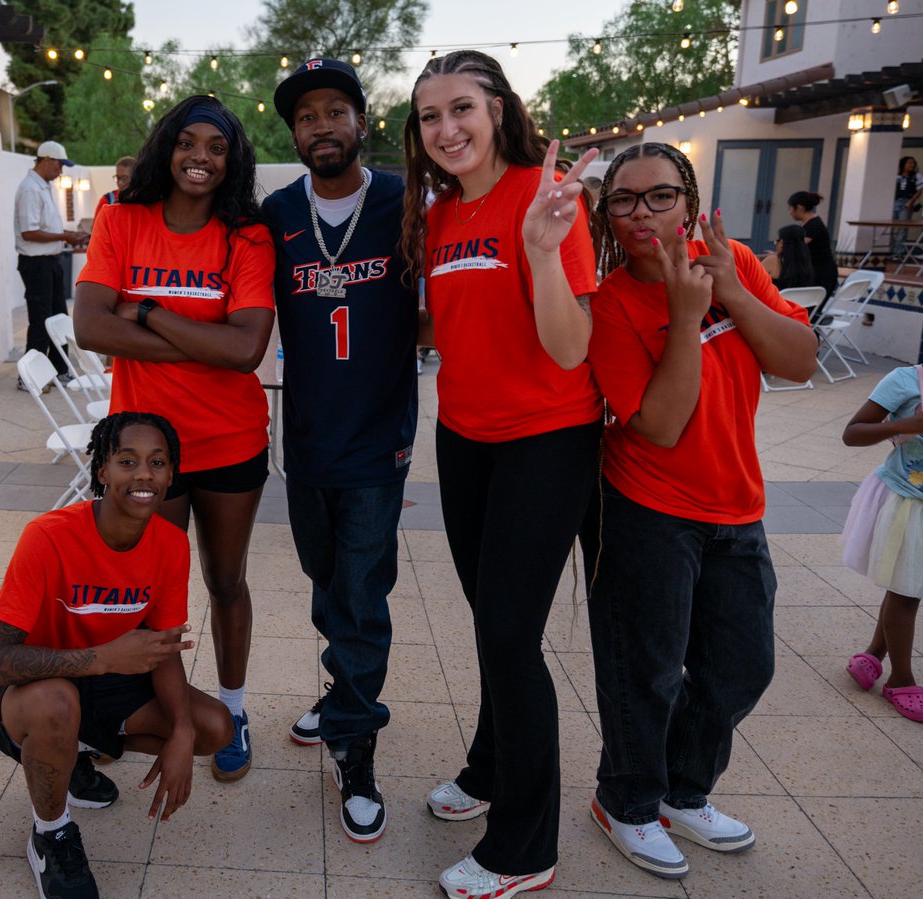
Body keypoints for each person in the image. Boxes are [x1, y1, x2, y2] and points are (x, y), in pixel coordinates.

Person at [399, 49, 601, 898]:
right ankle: (488, 767)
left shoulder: (544, 199)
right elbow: (443, 332)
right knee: (491, 619)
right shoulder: (439, 214)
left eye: (461, 110)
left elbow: (569, 348)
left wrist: (544, 251)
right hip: (466, 439)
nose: (446, 129)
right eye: (429, 116)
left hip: (546, 441)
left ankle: (523, 846)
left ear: (497, 110)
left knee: (511, 637)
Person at [585, 143, 817, 880]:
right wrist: (686, 317)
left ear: (688, 200)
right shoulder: (613, 304)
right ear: (609, 216)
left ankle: (682, 791)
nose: (642, 213)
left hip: (737, 504)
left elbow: (800, 359)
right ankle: (627, 800)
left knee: (741, 665)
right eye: (624, 200)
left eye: (659, 196)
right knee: (645, 671)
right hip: (647, 509)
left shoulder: (737, 263)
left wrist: (733, 294)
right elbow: (659, 425)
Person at [73, 96, 275, 783]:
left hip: (229, 440)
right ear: (167, 147)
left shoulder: (246, 235)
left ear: (232, 160)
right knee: (138, 589)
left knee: (224, 579)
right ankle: (121, 708)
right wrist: (201, 341)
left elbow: (246, 349)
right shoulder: (121, 218)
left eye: (216, 147)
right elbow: (92, 326)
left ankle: (235, 706)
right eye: (188, 142)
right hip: (144, 452)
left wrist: (151, 310)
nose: (200, 157)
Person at [0, 411, 233, 899]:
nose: (144, 474)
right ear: (102, 471)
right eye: (127, 461)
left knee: (214, 728)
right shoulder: (47, 536)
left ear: (172, 475)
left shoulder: (170, 543)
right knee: (58, 704)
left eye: (158, 462)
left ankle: (76, 752)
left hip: (106, 672)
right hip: (18, 690)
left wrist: (183, 732)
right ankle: (51, 835)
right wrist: (102, 658)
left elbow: (161, 649)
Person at [262, 58, 418, 844]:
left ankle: (356, 746)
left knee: (362, 593)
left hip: (378, 443)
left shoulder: (403, 200)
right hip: (309, 441)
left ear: (363, 121)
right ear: (294, 133)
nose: (321, 126)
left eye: (335, 111)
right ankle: (341, 690)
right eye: (306, 116)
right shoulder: (277, 213)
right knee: (327, 581)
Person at [841, 360, 923, 724]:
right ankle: (901, 680)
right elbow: (852, 433)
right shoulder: (906, 380)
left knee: (904, 585)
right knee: (907, 594)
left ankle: (873, 654)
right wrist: (902, 425)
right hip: (909, 503)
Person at [14, 140, 87, 389]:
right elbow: (29, 232)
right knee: (41, 319)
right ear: (46, 160)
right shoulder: (29, 189)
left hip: (51, 260)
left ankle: (59, 369)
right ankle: (28, 378)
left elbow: (46, 228)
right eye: (59, 165)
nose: (61, 171)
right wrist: (66, 236)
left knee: (58, 317)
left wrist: (67, 235)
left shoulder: (42, 187)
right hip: (36, 264)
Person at [787, 190, 839, 299]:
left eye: (790, 208)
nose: (789, 212)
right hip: (814, 273)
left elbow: (796, 248)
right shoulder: (808, 224)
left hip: (822, 275)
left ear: (800, 207)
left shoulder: (813, 226)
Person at [761, 223, 816, 292]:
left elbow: (751, 279)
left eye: (776, 241)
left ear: (781, 243)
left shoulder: (773, 260)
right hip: (798, 302)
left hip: (773, 302)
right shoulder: (805, 263)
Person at [891, 156, 923, 258]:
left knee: (903, 228)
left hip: (906, 203)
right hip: (894, 202)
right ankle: (891, 250)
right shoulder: (896, 175)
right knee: (891, 228)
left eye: (913, 163)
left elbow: (920, 190)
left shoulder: (915, 176)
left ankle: (899, 252)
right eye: (909, 163)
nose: (911, 165)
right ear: (903, 164)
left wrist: (911, 201)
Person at [94, 155, 136, 219]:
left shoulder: (145, 199)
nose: (120, 182)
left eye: (124, 178)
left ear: (135, 177)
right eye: (118, 178)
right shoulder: (107, 200)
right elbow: (96, 226)